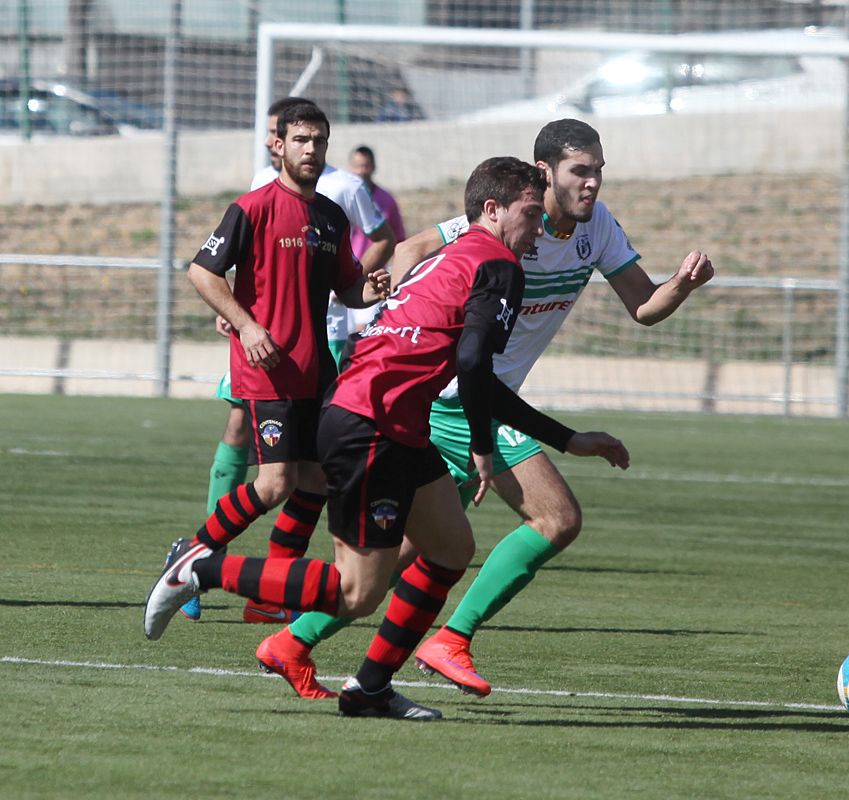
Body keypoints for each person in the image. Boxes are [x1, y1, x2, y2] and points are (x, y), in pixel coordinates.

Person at [144, 156, 630, 722]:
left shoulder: (452, 258)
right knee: (357, 592)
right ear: (493, 211)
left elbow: (473, 371)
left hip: (385, 418)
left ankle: (370, 687)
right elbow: (473, 363)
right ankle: (199, 569)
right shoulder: (498, 264)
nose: (539, 226)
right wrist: (480, 444)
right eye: (530, 211)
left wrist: (567, 440)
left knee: (450, 547)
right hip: (370, 424)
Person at [255, 118, 714, 701]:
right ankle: (450, 639)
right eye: (581, 170)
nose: (593, 182)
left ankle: (294, 642)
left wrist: (684, 283)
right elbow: (415, 246)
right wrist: (393, 310)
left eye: (599, 170)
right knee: (556, 518)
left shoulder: (597, 228)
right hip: (460, 397)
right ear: (544, 174)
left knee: (419, 548)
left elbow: (645, 306)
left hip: (475, 396)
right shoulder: (507, 218)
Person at [186, 97, 396, 624]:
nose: (311, 150)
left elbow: (347, 290)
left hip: (316, 368)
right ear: (278, 145)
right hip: (267, 367)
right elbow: (202, 274)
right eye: (300, 140)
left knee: (319, 480)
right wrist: (247, 324)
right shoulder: (251, 207)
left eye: (319, 141)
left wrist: (369, 291)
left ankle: (267, 596)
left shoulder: (330, 215)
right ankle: (190, 555)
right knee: (275, 483)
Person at [346, 144, 406, 334]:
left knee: (363, 329)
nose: (361, 171)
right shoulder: (344, 196)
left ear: (373, 167)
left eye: (365, 166)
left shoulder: (386, 200)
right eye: (357, 166)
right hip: (346, 273)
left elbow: (398, 239)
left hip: (373, 275)